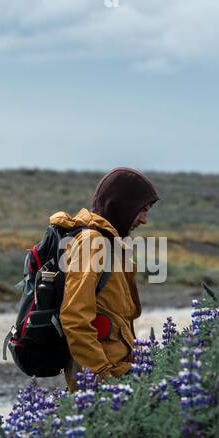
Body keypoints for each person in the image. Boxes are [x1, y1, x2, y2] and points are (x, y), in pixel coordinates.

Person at [50, 167, 159, 392]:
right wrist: (102, 375)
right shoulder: (92, 242)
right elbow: (74, 318)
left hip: (118, 371)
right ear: (121, 205)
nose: (145, 220)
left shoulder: (111, 242)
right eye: (142, 210)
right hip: (101, 379)